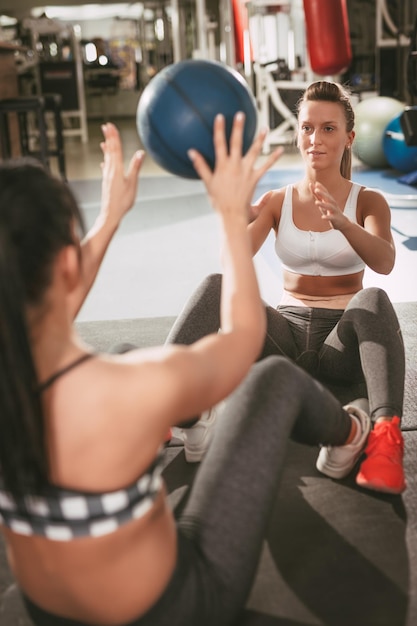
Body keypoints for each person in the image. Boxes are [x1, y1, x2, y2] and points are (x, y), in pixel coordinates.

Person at [0, 114, 374, 626]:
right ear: (66, 264)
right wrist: (227, 216)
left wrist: (110, 218)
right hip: (179, 605)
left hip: (48, 611)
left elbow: (37, 303)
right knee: (271, 382)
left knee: (131, 348)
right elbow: (242, 341)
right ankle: (352, 433)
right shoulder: (126, 389)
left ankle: (192, 424)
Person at [167, 80, 406, 496]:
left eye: (328, 128)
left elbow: (384, 263)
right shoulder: (277, 201)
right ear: (297, 134)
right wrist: (233, 212)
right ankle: (160, 399)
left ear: (350, 137)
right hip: (283, 339)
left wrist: (344, 224)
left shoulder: (369, 202)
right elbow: (233, 261)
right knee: (216, 284)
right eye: (307, 127)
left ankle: (386, 441)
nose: (316, 138)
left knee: (373, 300)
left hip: (340, 342)